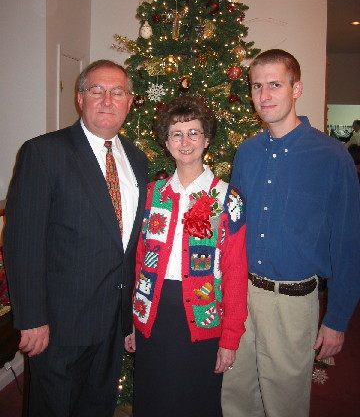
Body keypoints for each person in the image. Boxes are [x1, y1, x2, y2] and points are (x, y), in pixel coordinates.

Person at [3, 60, 148, 417]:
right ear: (81, 98)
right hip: (59, 325)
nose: (107, 100)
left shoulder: (137, 160)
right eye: (97, 90)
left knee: (97, 408)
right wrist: (32, 317)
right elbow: (22, 242)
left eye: (117, 92)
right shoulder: (44, 153)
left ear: (129, 101)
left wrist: (129, 320)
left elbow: (128, 248)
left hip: (112, 323)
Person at [222, 49, 360, 417]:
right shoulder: (247, 153)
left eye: (275, 85)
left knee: (285, 404)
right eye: (256, 86)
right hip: (243, 296)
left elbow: (348, 243)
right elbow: (233, 228)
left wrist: (337, 318)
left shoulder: (331, 157)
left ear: (296, 88)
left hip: (293, 303)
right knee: (236, 396)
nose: (264, 96)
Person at [124, 96, 248, 417]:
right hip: (155, 315)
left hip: (202, 315)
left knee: (196, 402)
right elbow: (140, 262)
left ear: (207, 139)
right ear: (166, 142)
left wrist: (230, 338)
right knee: (154, 399)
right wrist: (134, 321)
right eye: (176, 133)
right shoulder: (152, 195)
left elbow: (235, 273)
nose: (185, 141)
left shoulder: (227, 198)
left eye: (194, 132)